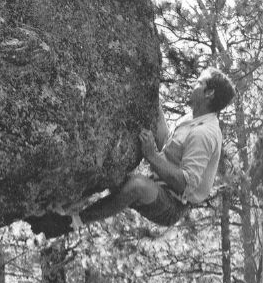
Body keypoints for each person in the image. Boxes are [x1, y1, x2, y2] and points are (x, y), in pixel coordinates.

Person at [28, 67, 235, 237]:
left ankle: (69, 224)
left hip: (173, 204)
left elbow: (185, 184)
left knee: (135, 185)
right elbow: (167, 143)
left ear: (209, 93)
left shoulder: (204, 134)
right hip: (161, 185)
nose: (194, 85)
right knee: (114, 174)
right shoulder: (193, 117)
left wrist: (152, 156)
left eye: (199, 83)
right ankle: (56, 210)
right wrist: (154, 99)